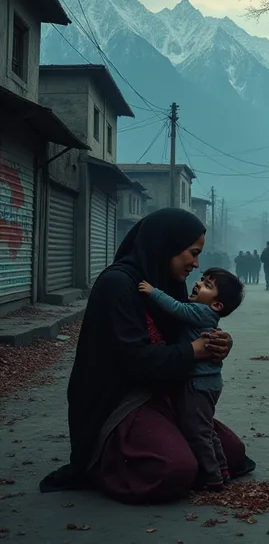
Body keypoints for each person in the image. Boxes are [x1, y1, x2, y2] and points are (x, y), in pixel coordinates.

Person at [39, 209, 254, 503]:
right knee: (176, 469)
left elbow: (193, 329)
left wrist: (219, 343)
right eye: (192, 253)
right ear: (167, 245)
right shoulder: (118, 284)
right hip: (123, 401)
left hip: (166, 394)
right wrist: (194, 351)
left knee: (233, 453)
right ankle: (103, 463)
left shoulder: (169, 283)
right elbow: (136, 362)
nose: (196, 264)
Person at [138, 267, 244, 490]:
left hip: (197, 385)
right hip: (209, 384)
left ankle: (212, 478)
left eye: (207, 285)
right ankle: (222, 469)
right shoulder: (209, 315)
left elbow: (176, 308)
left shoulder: (200, 311)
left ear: (217, 305)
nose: (198, 282)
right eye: (202, 280)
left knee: (197, 432)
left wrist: (153, 291)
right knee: (206, 429)